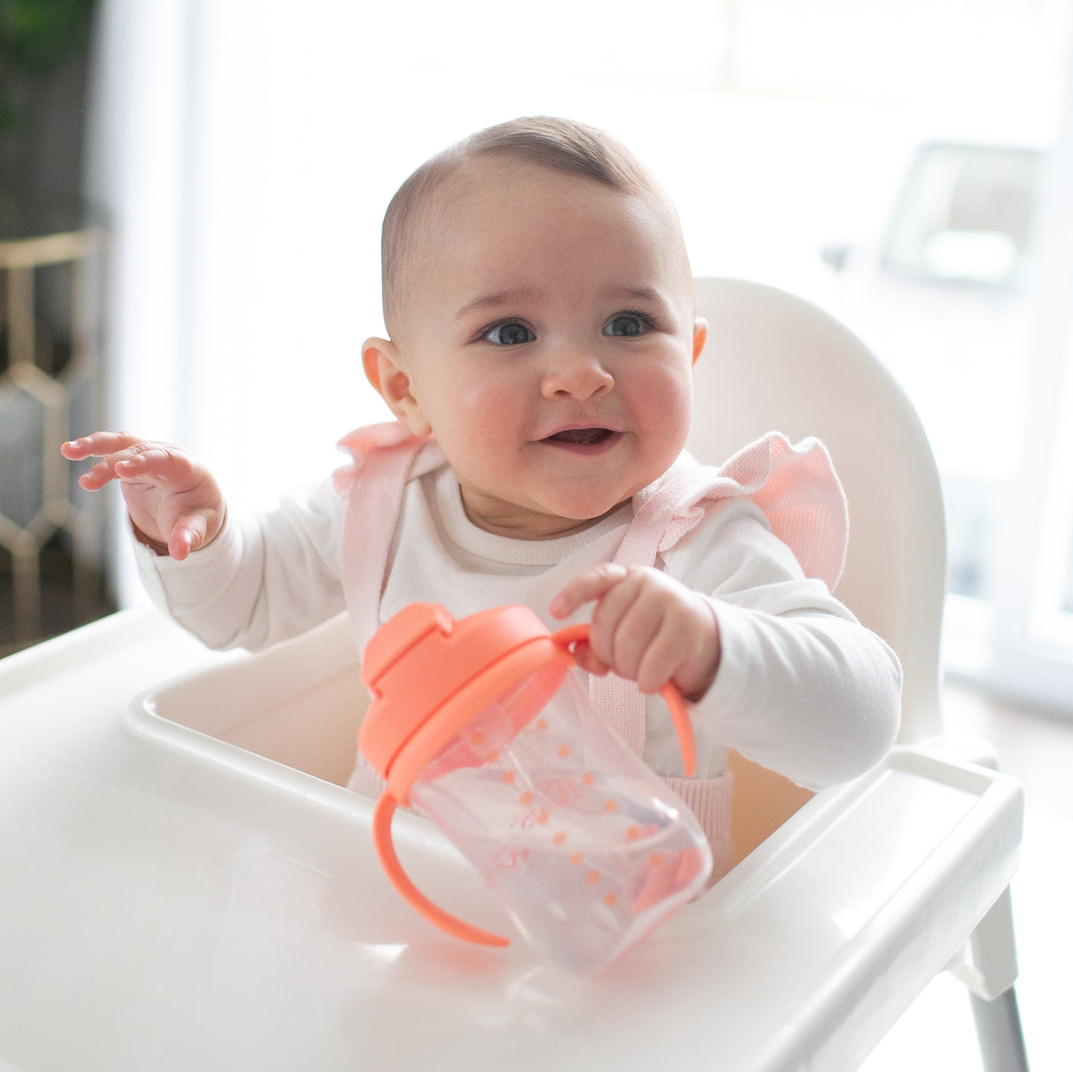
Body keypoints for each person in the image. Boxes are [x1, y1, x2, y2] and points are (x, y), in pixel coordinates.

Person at [62, 116, 901, 875]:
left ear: (693, 350)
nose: (581, 373)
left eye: (629, 324)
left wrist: (717, 647)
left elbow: (860, 727)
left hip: (622, 955)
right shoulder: (380, 503)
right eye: (510, 333)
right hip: (394, 903)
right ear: (406, 388)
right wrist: (197, 538)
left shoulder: (697, 540)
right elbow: (244, 608)